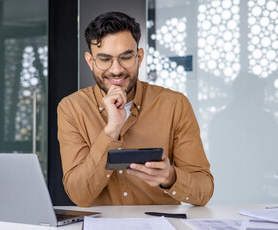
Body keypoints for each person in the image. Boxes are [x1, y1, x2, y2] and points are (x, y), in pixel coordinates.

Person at [57, 12, 214, 207]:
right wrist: (111, 130)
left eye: (126, 57)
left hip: (162, 229)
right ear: (90, 61)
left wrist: (171, 177)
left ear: (139, 57)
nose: (116, 70)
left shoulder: (175, 104)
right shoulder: (72, 108)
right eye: (104, 59)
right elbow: (79, 195)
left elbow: (204, 190)